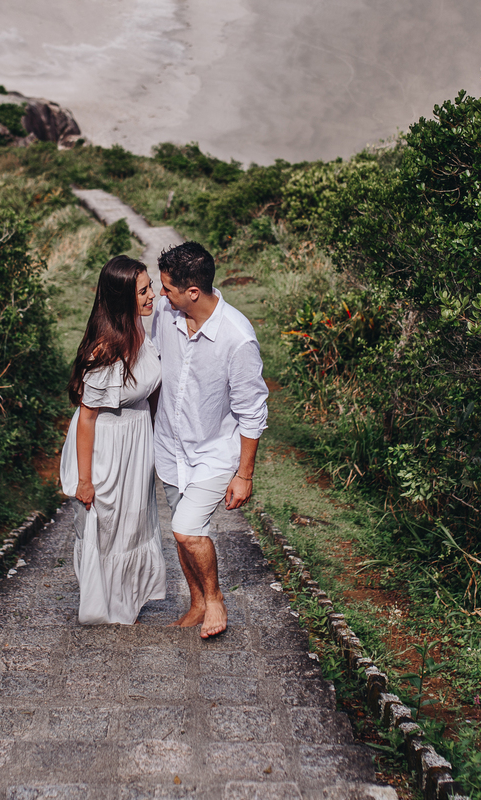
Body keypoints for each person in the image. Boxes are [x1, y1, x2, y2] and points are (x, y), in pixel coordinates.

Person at [152, 241, 268, 638]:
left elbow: (253, 411)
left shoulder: (237, 338)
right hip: (169, 447)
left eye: (167, 288)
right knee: (182, 535)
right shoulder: (167, 316)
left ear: (193, 292)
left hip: (214, 452)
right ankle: (197, 602)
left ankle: (215, 599)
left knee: (186, 530)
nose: (161, 294)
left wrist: (244, 475)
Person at [59, 256, 167, 624]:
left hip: (135, 441)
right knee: (105, 524)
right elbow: (87, 418)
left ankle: (128, 601)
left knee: (133, 523)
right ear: (122, 299)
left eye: (151, 287)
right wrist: (85, 480)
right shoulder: (104, 352)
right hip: (105, 445)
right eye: (143, 291)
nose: (153, 295)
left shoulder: (142, 333)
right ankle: (104, 604)